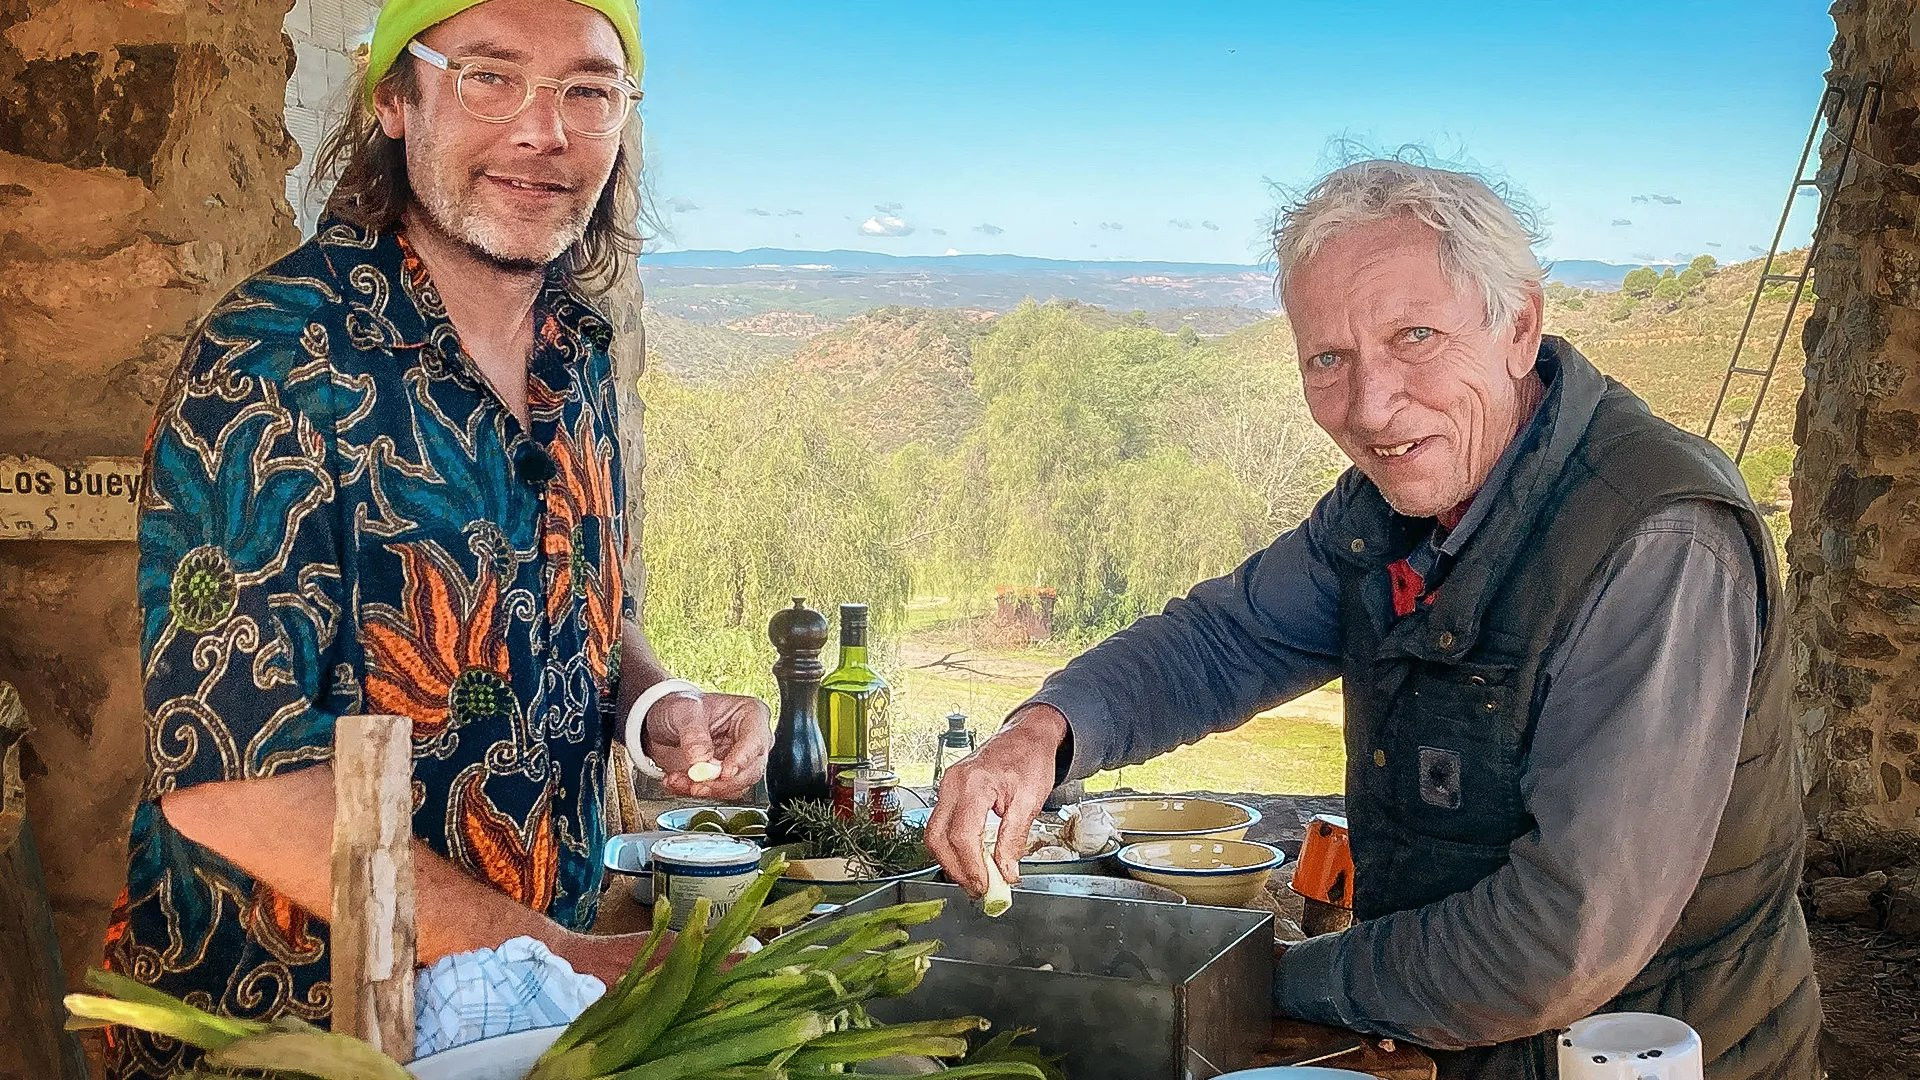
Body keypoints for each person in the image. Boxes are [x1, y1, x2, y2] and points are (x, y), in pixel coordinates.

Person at [928, 160, 1820, 1079]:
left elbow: (1560, 938)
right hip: (1464, 1049)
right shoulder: (1390, 504)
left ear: (1519, 326)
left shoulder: (1657, 539)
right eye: (1328, 358)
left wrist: (1265, 979)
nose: (1369, 406)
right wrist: (1042, 733)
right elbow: (1222, 641)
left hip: (1645, 1056)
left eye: (1416, 337)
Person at [106, 1, 770, 1074]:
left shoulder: (580, 354)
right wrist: (562, 955)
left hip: (532, 1023)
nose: (542, 131)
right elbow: (229, 778)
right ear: (393, 104)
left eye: (588, 90)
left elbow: (570, 607)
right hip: (294, 1030)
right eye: (489, 77)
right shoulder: (272, 362)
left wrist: (655, 703)